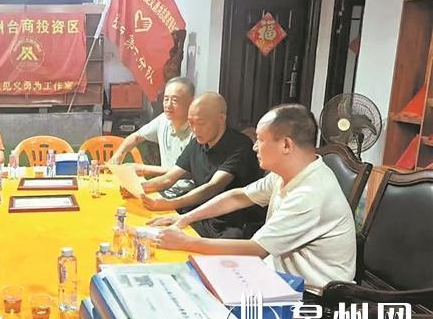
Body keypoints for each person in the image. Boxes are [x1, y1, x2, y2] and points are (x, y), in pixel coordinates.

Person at [150, 104, 356, 296]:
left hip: (311, 294)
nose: (255, 147)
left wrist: (187, 242)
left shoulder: (310, 193)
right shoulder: (289, 173)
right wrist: (185, 219)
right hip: (277, 273)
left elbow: (255, 249)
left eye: (260, 140)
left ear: (286, 145)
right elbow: (238, 196)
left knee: (192, 288)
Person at [138, 92, 265, 238]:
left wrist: (170, 203)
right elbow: (169, 178)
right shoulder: (197, 143)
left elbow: (212, 187)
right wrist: (138, 188)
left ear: (221, 118)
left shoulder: (240, 145)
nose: (195, 129)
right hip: (201, 215)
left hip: (231, 223)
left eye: (201, 123)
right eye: (191, 123)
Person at [109, 77, 195, 177]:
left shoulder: (196, 131)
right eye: (166, 99)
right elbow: (136, 137)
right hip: (164, 184)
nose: (168, 105)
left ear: (191, 102)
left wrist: (143, 169)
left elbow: (186, 172)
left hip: (185, 186)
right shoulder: (163, 120)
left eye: (175, 100)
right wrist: (118, 155)